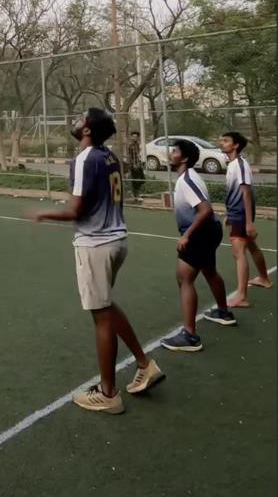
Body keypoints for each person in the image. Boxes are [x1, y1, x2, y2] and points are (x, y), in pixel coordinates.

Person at [28, 108, 163, 414]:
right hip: (117, 240)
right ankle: (144, 364)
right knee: (106, 307)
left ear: (87, 129)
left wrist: (44, 213)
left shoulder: (85, 159)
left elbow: (74, 210)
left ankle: (108, 393)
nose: (75, 120)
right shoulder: (109, 156)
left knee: (101, 316)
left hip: (96, 243)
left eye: (81, 117)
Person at [160, 140, 236, 351]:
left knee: (184, 278)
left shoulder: (187, 180)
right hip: (208, 231)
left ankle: (190, 336)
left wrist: (187, 236)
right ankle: (223, 312)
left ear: (184, 158)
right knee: (209, 270)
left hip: (200, 233)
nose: (171, 152)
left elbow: (205, 210)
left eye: (175, 150)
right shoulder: (189, 176)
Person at [219, 131, 273, 305]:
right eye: (222, 140)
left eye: (226, 141)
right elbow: (233, 193)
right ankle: (264, 278)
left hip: (241, 215)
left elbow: (246, 193)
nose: (222, 143)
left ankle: (241, 296)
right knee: (250, 245)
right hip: (236, 213)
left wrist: (249, 222)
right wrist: (229, 213)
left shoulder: (240, 165)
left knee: (238, 252)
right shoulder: (233, 164)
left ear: (235, 145)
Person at [126, 131, 145, 202]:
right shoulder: (130, 145)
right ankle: (135, 195)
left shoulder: (137, 144)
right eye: (133, 137)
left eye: (136, 137)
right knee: (135, 180)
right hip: (133, 165)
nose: (135, 138)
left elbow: (137, 154)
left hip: (138, 164)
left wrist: (140, 162)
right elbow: (129, 156)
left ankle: (137, 193)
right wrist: (132, 165)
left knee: (141, 179)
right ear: (131, 137)